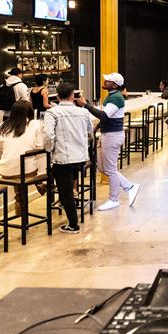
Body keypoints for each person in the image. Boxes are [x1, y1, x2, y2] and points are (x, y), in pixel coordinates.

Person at [76, 72, 140, 210]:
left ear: (115, 85)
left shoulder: (116, 98)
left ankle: (114, 199)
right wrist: (98, 126)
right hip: (108, 134)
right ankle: (129, 186)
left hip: (113, 136)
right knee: (103, 168)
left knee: (110, 169)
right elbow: (107, 116)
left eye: (108, 81)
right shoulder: (111, 96)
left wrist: (86, 105)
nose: (105, 82)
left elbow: (104, 115)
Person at [43, 81, 93, 234]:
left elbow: (48, 135)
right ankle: (72, 206)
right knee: (69, 187)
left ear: (57, 96)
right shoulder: (83, 112)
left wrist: (49, 149)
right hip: (81, 159)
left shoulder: (52, 113)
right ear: (72, 96)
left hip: (63, 158)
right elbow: (89, 133)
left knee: (65, 192)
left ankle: (73, 224)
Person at [0, 99, 44, 216]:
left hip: (6, 171)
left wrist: (2, 146)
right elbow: (40, 147)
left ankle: (20, 201)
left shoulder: (4, 126)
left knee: (18, 168)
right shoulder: (36, 124)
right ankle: (41, 184)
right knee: (28, 166)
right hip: (28, 170)